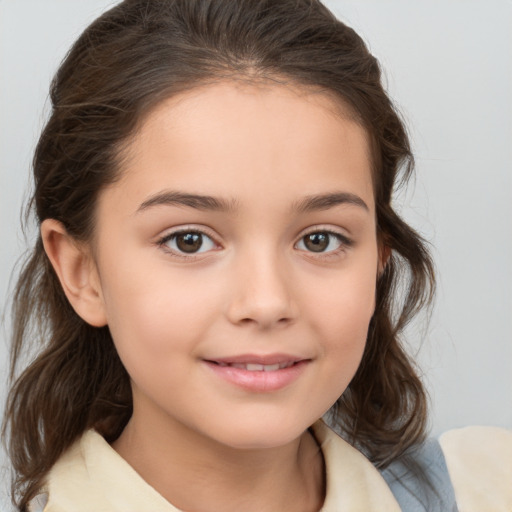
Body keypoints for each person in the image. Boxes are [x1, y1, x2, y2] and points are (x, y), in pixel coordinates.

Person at [2, 0, 511, 511]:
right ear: (81, 272)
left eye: (320, 239)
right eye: (189, 240)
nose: (266, 303)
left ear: (379, 259)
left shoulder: (486, 490)